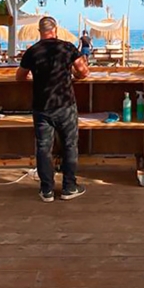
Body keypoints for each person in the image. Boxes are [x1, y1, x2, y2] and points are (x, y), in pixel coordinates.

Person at [17, 17, 89, 202]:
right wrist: (74, 75)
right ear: (55, 29)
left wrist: (35, 78)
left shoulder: (32, 51)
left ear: (39, 31)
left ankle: (47, 190)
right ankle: (69, 187)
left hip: (42, 106)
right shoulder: (67, 47)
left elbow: (19, 77)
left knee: (43, 148)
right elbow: (83, 71)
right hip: (65, 104)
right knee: (70, 145)